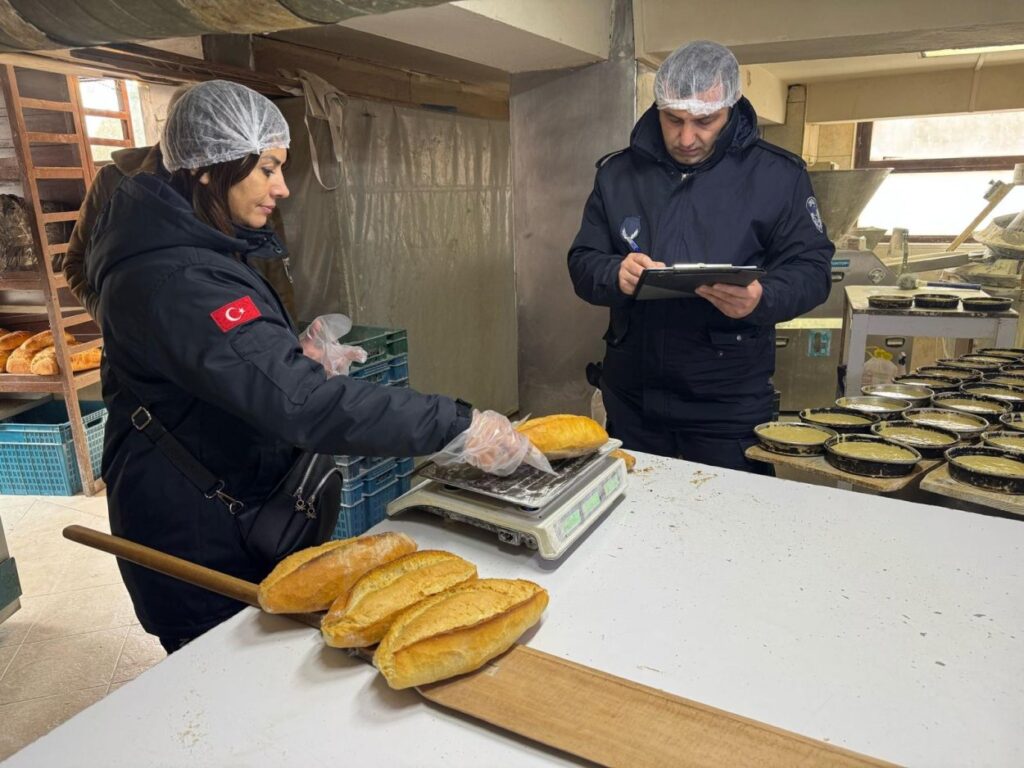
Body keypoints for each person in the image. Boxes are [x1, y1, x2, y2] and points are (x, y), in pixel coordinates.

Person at [87, 80, 538, 653]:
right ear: (209, 167)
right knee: (224, 694)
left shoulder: (191, 251)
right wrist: (459, 424)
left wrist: (282, 355)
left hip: (231, 507)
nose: (282, 188)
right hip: (197, 537)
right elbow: (299, 404)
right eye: (269, 168)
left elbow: (212, 366)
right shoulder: (178, 277)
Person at [568, 40, 833, 474]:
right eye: (673, 120)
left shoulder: (777, 176)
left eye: (704, 121)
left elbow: (812, 269)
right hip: (634, 396)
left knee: (728, 525)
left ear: (730, 107)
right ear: (658, 108)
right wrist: (614, 272)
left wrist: (762, 297)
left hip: (727, 404)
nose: (686, 137)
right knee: (632, 522)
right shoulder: (619, 173)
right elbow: (583, 260)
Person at [60, 85, 297, 322]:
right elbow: (77, 263)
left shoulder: (241, 183)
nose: (281, 189)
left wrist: (286, 330)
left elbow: (273, 264)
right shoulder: (120, 184)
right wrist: (116, 319)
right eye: (267, 169)